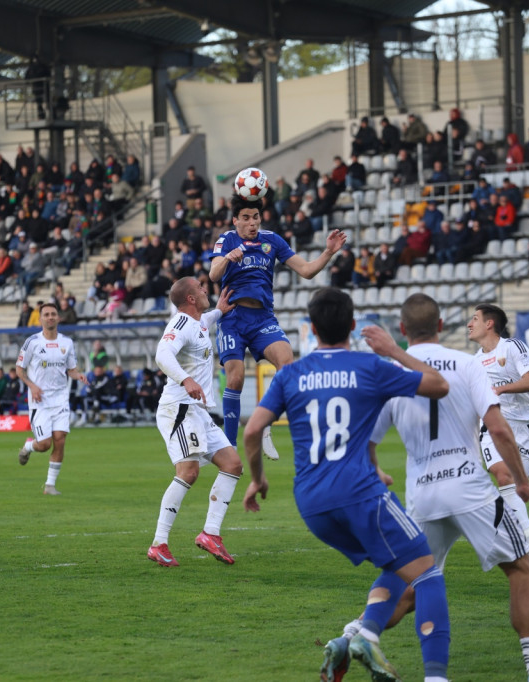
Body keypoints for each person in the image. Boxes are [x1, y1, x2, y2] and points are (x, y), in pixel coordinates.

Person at [344, 293, 529, 682]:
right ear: (442, 326)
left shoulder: (392, 372)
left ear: (402, 329)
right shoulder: (467, 363)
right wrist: (523, 482)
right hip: (469, 488)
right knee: (520, 568)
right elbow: (498, 429)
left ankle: (349, 638)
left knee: (413, 585)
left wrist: (375, 471)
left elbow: (365, 441)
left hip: (423, 494)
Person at [242, 287, 452, 682]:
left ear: (312, 328)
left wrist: (257, 479)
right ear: (353, 326)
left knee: (396, 560)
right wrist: (394, 350)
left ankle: (357, 637)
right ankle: (437, 677)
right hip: (359, 494)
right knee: (427, 573)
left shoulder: (290, 374)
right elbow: (438, 386)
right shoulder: (369, 366)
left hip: (312, 505)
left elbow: (253, 431)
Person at [209, 195, 347, 459]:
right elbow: (214, 274)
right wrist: (228, 257)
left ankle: (264, 424)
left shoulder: (271, 240)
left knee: (287, 362)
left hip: (262, 319)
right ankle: (230, 447)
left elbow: (306, 271)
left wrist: (328, 252)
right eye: (246, 218)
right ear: (235, 220)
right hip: (233, 318)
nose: (252, 223)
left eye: (256, 217)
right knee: (235, 377)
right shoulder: (226, 239)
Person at [147, 279, 238, 567]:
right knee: (188, 472)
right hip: (179, 407)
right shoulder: (180, 323)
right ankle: (159, 543)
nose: (205, 289)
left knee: (232, 464)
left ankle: (211, 534)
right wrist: (186, 380)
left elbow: (204, 322)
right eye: (200, 288)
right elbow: (162, 354)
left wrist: (220, 311)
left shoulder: (198, 321)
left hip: (197, 410)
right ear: (189, 298)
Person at [467, 304, 529, 556]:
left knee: (514, 483)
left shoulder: (513, 347)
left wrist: (500, 389)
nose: (469, 324)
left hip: (522, 428)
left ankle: (503, 525)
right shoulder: (474, 362)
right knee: (503, 476)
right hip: (491, 427)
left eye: (474, 319)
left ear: (489, 324)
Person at [15, 303, 88, 495]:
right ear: (40, 319)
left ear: (58, 318)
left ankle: (50, 485)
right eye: (46, 314)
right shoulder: (32, 342)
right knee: (44, 444)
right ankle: (29, 446)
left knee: (60, 440)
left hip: (60, 399)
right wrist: (32, 386)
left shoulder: (67, 343)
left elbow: (71, 369)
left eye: (53, 314)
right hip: (39, 401)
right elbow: (19, 369)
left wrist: (78, 375)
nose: (50, 317)